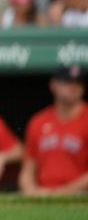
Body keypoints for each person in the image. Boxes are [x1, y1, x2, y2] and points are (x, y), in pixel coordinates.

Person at [19, 65, 88, 194]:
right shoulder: (38, 121)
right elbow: (28, 168)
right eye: (67, 82)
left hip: (80, 195)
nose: (74, 87)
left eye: (79, 83)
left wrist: (62, 192)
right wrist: (31, 191)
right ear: (53, 85)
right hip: (44, 192)